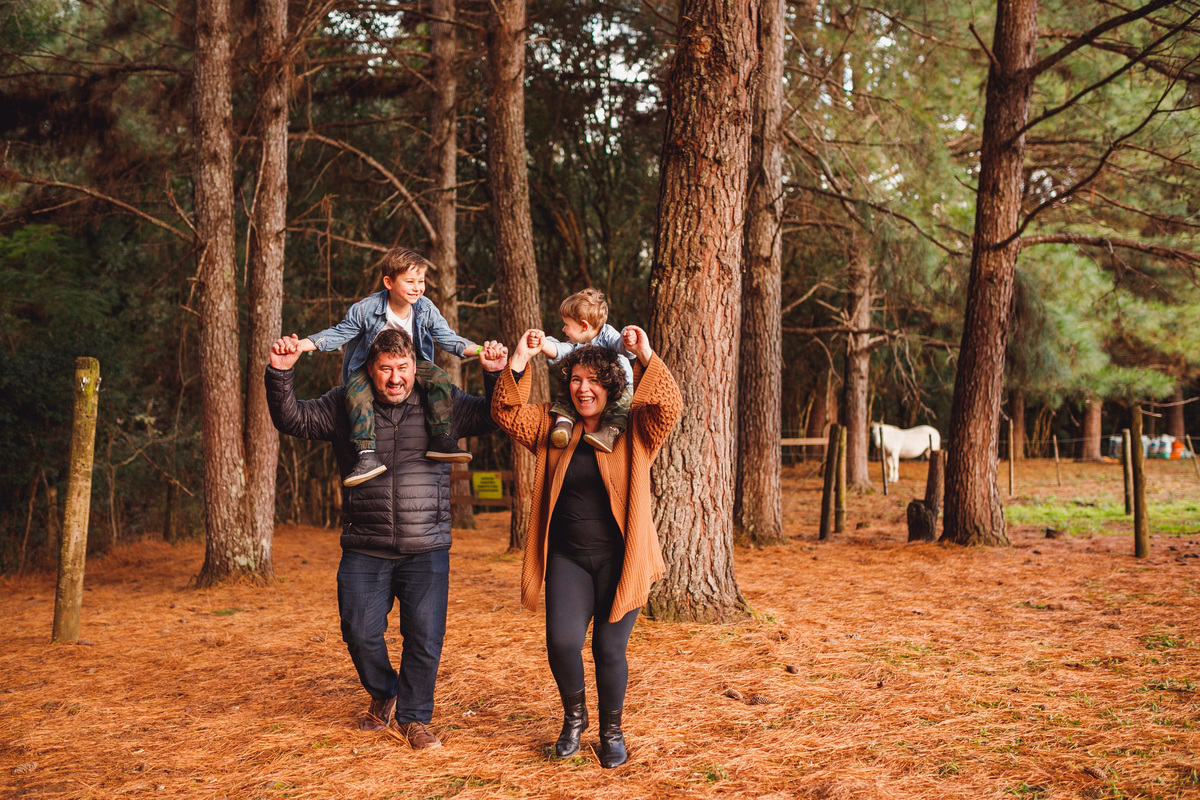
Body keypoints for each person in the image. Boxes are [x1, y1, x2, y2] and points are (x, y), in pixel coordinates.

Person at [266, 328, 509, 750]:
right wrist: (280, 374)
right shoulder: (345, 403)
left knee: (424, 637)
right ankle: (385, 691)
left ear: (415, 366)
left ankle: (415, 719)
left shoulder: (442, 401)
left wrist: (494, 375)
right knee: (359, 631)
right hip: (365, 543)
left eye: (403, 368)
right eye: (385, 369)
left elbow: (493, 415)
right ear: (371, 369)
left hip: (426, 545)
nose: (395, 378)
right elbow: (294, 419)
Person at [491, 324, 681, 768]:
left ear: (610, 384)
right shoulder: (554, 427)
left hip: (621, 560)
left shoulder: (634, 428)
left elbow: (668, 405)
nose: (583, 389)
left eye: (594, 380)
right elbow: (505, 412)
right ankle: (574, 720)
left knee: (608, 650)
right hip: (568, 558)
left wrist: (645, 354)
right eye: (576, 379)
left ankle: (612, 731)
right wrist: (519, 359)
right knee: (561, 642)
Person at [286, 247, 485, 487]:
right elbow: (337, 334)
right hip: (371, 367)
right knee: (355, 394)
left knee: (439, 378)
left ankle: (441, 437)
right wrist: (301, 345)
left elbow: (448, 339)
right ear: (388, 282)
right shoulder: (366, 309)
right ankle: (366, 453)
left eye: (421, 281)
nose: (417, 288)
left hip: (409, 365)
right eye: (409, 281)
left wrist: (480, 350)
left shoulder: (425, 309)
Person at [538, 288, 636, 454]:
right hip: (593, 390)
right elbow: (561, 350)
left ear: (584, 325)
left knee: (620, 407)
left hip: (620, 387)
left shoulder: (607, 335)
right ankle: (563, 425)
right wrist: (542, 343)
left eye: (567, 325)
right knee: (566, 396)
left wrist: (628, 341)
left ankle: (608, 433)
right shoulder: (578, 345)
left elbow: (621, 347)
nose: (563, 330)